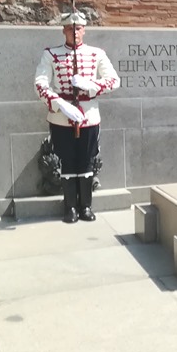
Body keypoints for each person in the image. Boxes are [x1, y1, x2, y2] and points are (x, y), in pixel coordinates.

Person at [35, 11, 120, 224]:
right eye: (71, 28)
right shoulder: (51, 54)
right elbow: (40, 84)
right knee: (66, 161)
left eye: (79, 28)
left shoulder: (96, 53)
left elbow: (113, 80)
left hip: (89, 116)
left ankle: (86, 206)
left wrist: (90, 86)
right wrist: (60, 104)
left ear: (84, 30)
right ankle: (70, 207)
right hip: (61, 117)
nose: (75, 32)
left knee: (86, 160)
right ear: (64, 30)